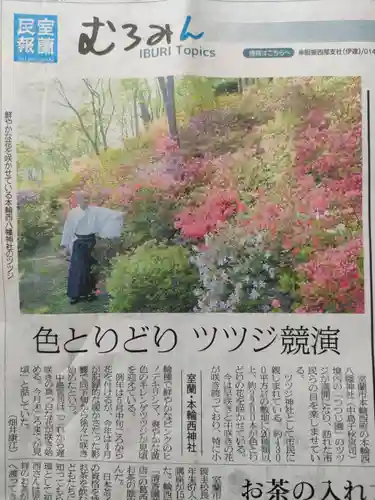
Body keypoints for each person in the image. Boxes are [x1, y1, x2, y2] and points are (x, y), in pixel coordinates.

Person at [61, 191, 124, 305]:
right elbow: (68, 229)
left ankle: (89, 293)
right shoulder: (73, 213)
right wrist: (66, 245)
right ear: (78, 200)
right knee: (78, 268)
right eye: (83, 198)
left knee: (90, 269)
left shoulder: (95, 210)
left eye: (87, 198)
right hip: (79, 243)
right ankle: (74, 295)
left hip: (91, 242)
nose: (85, 201)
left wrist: (120, 214)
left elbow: (109, 214)